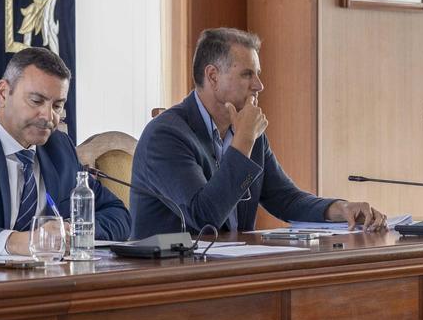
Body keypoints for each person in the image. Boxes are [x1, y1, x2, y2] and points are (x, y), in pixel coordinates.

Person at [130, 27, 387, 237]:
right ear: (213, 76)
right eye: (247, 74)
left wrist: (341, 209)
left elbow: (285, 198)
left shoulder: (248, 131)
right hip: (170, 278)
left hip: (229, 271)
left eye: (258, 74)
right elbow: (204, 217)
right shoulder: (165, 136)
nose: (259, 85)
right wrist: (243, 140)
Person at [0, 47, 130, 255]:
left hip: (44, 283)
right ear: (2, 93)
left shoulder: (60, 148)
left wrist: (70, 231)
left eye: (57, 105)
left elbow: (118, 214)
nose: (48, 117)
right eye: (36, 101)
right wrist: (17, 242)